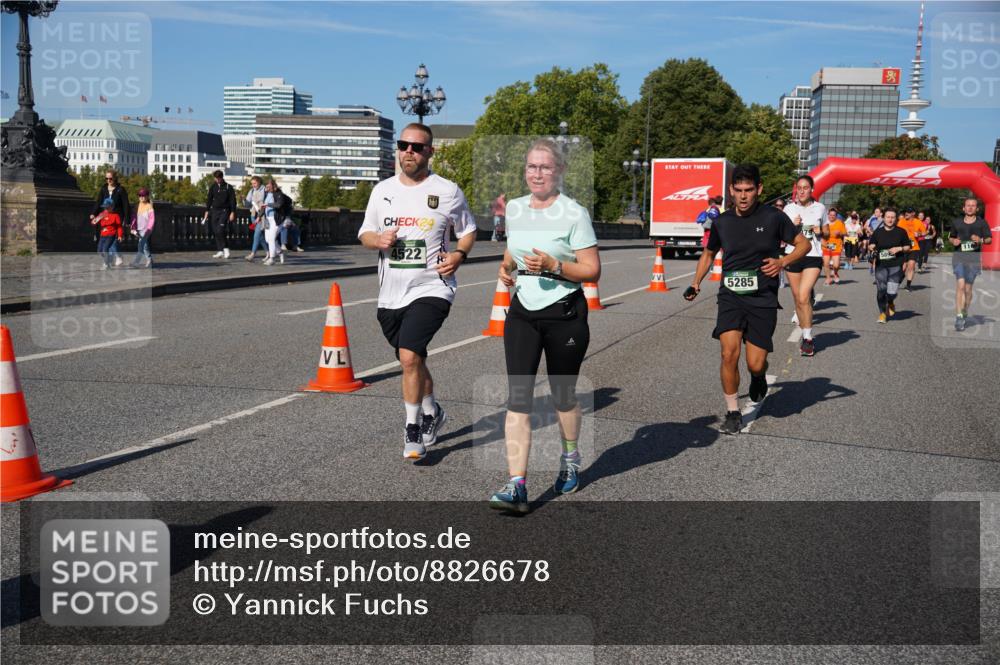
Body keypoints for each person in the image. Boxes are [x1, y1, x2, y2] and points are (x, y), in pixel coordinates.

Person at [488, 139, 601, 514]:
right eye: (532, 167)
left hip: (564, 312)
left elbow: (591, 269)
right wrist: (506, 269)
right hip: (523, 312)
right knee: (518, 398)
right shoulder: (516, 208)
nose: (537, 174)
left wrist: (554, 266)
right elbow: (513, 250)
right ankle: (516, 485)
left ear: (559, 172)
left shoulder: (574, 213)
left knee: (562, 396)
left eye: (545, 168)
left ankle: (570, 457)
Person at [358, 123, 477, 461]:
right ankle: (432, 409)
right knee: (413, 359)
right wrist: (377, 241)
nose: (409, 151)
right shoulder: (382, 190)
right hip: (390, 294)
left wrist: (458, 254)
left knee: (409, 356)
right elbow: (365, 232)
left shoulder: (448, 191)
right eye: (404, 145)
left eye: (417, 147)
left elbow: (468, 231)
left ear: (430, 152)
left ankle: (413, 430)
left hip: (433, 286)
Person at [684, 164, 810, 435]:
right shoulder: (722, 221)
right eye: (738, 190)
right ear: (730, 190)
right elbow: (708, 254)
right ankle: (731, 411)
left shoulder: (774, 218)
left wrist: (782, 261)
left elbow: (804, 245)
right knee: (728, 353)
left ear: (759, 189)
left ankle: (758, 375)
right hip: (730, 297)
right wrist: (696, 282)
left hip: (762, 298)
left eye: (749, 190)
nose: (743, 196)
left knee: (755, 362)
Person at [781, 175, 826, 357]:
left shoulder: (820, 208)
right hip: (793, 255)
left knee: (803, 295)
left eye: (805, 187)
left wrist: (820, 231)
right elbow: (782, 235)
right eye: (799, 187)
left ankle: (808, 338)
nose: (801, 191)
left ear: (812, 189)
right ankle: (805, 325)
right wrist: (792, 226)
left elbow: (827, 231)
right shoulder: (788, 208)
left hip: (813, 255)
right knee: (797, 298)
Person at [949, 197, 993, 331]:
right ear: (963, 208)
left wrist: (980, 240)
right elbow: (951, 236)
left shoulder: (982, 223)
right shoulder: (957, 222)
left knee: (968, 290)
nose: (970, 207)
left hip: (973, 260)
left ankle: (964, 311)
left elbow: (989, 239)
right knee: (960, 285)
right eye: (968, 205)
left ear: (977, 209)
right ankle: (958, 317)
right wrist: (953, 241)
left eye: (973, 205)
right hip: (959, 258)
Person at [869, 209, 911, 323]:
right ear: (884, 218)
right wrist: (872, 247)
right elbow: (871, 244)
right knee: (881, 290)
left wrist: (899, 248)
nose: (890, 219)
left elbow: (908, 246)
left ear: (896, 219)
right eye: (888, 217)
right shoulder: (878, 232)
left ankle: (891, 302)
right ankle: (882, 313)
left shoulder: (901, 232)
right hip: (881, 264)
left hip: (896, 264)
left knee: (891, 292)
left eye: (892, 217)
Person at [89, 170, 130, 267]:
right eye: (106, 178)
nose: (108, 180)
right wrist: (93, 213)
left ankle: (117, 256)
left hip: (117, 215)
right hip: (106, 216)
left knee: (114, 238)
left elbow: (126, 205)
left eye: (110, 178)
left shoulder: (121, 189)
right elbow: (99, 202)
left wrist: (127, 220)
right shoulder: (104, 188)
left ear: (115, 178)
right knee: (108, 238)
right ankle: (112, 259)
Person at [202, 170, 236, 259]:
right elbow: (209, 199)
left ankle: (226, 248)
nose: (217, 180)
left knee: (220, 230)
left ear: (221, 177)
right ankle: (220, 250)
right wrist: (207, 210)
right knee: (216, 231)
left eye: (218, 178)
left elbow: (233, 201)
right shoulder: (213, 187)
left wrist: (232, 212)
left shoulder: (229, 187)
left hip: (224, 211)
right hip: (214, 211)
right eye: (216, 178)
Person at [896, 207, 923, 291]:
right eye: (906, 212)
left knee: (911, 265)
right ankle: (899, 281)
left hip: (914, 247)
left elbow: (925, 232)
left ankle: (908, 285)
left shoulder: (918, 222)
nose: (906, 213)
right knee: (903, 268)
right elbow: (896, 232)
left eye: (908, 212)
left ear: (913, 213)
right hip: (903, 247)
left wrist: (919, 234)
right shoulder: (901, 221)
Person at [91, 197, 123, 270]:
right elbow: (94, 222)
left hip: (111, 235)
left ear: (112, 207)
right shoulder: (102, 214)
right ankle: (108, 260)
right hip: (103, 235)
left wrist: (120, 235)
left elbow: (119, 227)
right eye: (105, 207)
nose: (106, 209)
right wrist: (93, 220)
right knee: (99, 250)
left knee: (105, 249)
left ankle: (106, 264)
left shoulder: (116, 216)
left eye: (107, 207)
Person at [261, 179, 285, 266]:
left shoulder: (279, 194)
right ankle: (280, 252)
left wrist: (268, 205)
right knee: (268, 239)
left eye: (269, 186)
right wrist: (259, 217)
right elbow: (264, 207)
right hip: (268, 219)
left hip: (276, 219)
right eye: (267, 186)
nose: (267, 188)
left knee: (271, 238)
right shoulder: (267, 195)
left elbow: (278, 205)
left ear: (273, 186)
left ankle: (272, 258)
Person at [130, 188, 154, 268]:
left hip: (146, 229)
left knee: (142, 245)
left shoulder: (149, 206)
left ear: (147, 196)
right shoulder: (137, 205)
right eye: (140, 195)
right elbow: (133, 217)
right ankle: (148, 260)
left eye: (143, 195)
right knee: (142, 245)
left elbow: (152, 219)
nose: (142, 197)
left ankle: (146, 260)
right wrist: (133, 227)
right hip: (139, 228)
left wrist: (149, 228)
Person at [244, 176, 268, 261]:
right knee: (260, 236)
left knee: (256, 235)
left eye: (254, 183)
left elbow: (265, 205)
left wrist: (260, 216)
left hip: (262, 216)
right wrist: (245, 201)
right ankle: (268, 252)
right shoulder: (252, 191)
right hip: (253, 215)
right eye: (252, 183)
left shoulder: (264, 190)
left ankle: (252, 254)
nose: (253, 185)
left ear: (259, 182)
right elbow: (247, 204)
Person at [822, 207, 847, 285]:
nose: (832, 216)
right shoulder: (824, 223)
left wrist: (840, 233)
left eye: (833, 215)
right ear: (828, 215)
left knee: (836, 265)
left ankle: (835, 272)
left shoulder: (840, 223)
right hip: (826, 245)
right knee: (826, 263)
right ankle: (828, 278)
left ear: (836, 216)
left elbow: (845, 233)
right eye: (830, 215)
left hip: (836, 246)